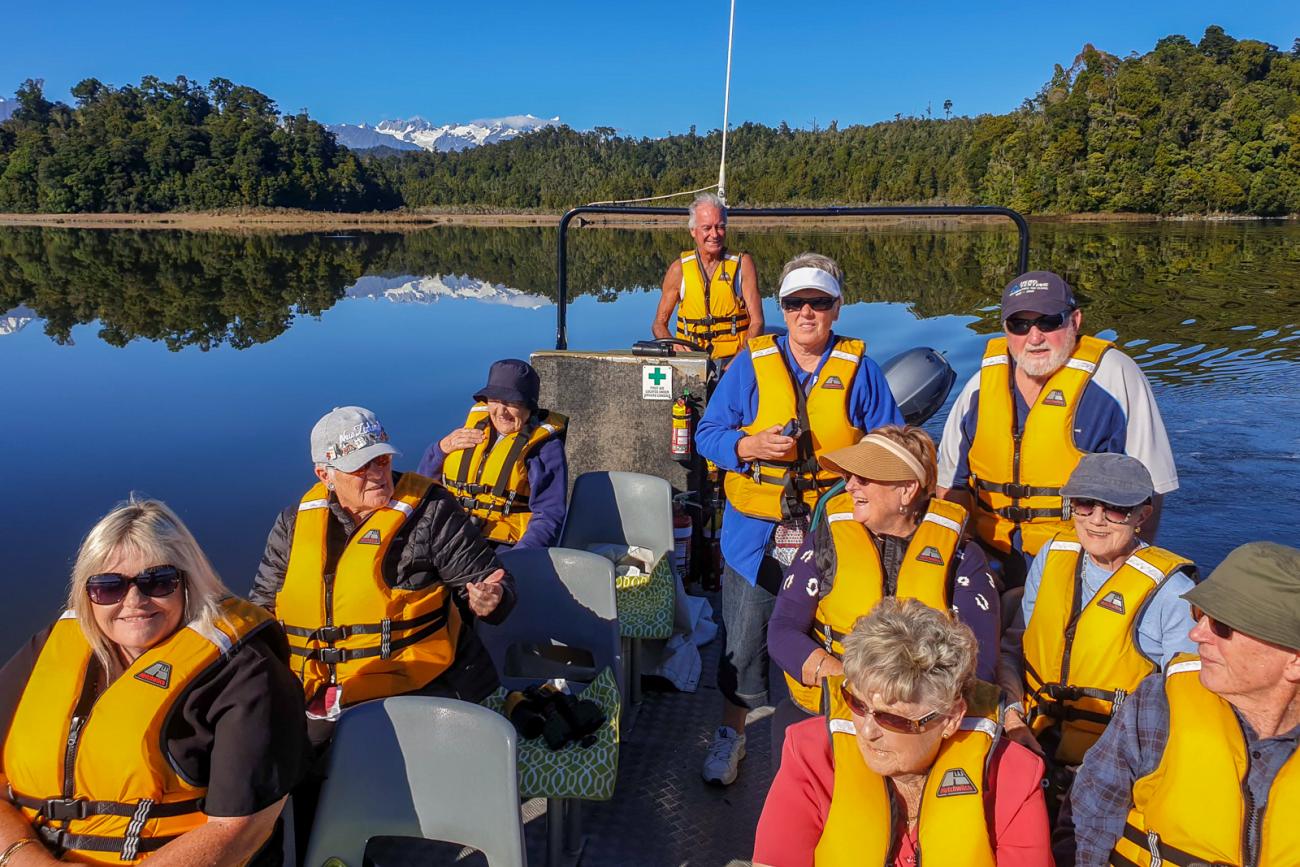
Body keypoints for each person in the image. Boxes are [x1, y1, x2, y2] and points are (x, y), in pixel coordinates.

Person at [0, 499, 309, 866]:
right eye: (109, 587)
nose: (134, 601)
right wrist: (23, 855)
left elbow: (239, 831)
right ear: (87, 593)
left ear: (187, 582)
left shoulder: (247, 673)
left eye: (157, 582)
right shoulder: (46, 651)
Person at [695, 252, 903, 785]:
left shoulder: (862, 372)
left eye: (819, 302)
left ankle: (845, 739)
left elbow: (892, 446)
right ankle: (732, 733)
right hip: (756, 535)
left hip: (837, 534)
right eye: (794, 303)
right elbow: (707, 434)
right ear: (781, 308)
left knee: (839, 637)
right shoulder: (751, 364)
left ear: (837, 308)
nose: (806, 313)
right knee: (742, 640)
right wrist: (748, 443)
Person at [250, 405, 515, 737]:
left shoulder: (432, 512)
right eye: (360, 467)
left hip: (422, 689)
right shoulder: (292, 524)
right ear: (325, 475)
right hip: (317, 695)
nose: (376, 473)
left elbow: (492, 584)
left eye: (382, 460)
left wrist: (492, 599)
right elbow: (262, 607)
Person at [754, 598, 1051, 866]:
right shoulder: (810, 753)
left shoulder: (1014, 777)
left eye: (893, 719)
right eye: (856, 703)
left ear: (951, 718)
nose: (868, 731)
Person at [768, 425, 1000, 758]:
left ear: (907, 490)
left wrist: (900, 705)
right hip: (830, 705)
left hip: (915, 727)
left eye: (865, 478)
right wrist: (854, 686)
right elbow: (781, 632)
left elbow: (982, 665)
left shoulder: (962, 559)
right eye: (850, 476)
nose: (850, 486)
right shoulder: (827, 540)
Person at [936, 271, 1177, 586]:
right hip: (988, 557)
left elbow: (1151, 489)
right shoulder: (981, 386)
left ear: (1075, 321)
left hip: (1077, 563)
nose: (1034, 338)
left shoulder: (1116, 377)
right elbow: (947, 486)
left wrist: (1122, 572)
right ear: (1005, 329)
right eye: (1019, 325)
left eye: (1049, 322)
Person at [1067, 541, 1300, 867]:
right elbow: (1091, 816)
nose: (1196, 634)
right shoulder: (1158, 704)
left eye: (1223, 627)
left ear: (1294, 661)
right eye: (1199, 614)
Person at [999, 453, 1197, 811]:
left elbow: (1187, 708)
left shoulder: (1172, 594)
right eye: (1084, 504)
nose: (1097, 520)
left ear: (1142, 515)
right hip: (1027, 736)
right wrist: (1011, 717)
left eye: (1115, 510)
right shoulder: (1052, 555)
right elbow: (1014, 648)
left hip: (1112, 765)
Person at [419, 358, 568, 549]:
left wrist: (523, 557)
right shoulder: (471, 430)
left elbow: (549, 515)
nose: (501, 411)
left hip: (503, 544)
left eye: (512, 402)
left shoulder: (545, 449)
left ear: (529, 406)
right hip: (452, 534)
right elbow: (422, 485)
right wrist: (439, 450)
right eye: (495, 400)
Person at [651, 192, 762, 363]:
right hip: (691, 359)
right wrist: (673, 345)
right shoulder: (678, 269)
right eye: (707, 228)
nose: (715, 234)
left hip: (733, 359)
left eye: (720, 227)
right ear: (693, 231)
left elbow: (757, 322)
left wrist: (739, 361)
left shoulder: (743, 264)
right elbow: (659, 324)